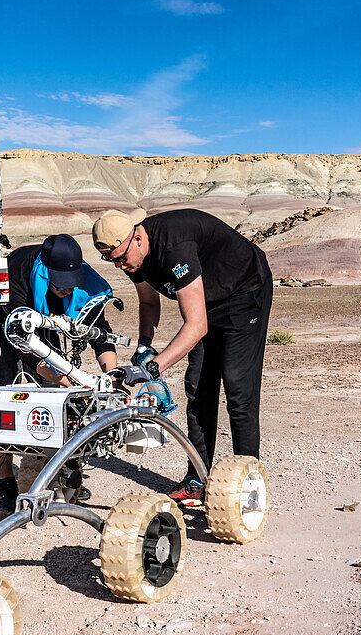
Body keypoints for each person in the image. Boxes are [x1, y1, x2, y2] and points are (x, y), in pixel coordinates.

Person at [92, 208, 272, 506]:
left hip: (244, 291)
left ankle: (248, 485)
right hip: (208, 300)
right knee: (199, 388)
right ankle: (197, 480)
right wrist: (144, 344)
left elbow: (196, 324)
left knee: (239, 388)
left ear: (137, 238)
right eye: (111, 261)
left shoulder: (174, 248)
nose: (120, 267)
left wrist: (153, 368)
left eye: (121, 258)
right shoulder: (135, 258)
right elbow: (149, 302)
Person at [0, 233, 119, 509]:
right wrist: (57, 374)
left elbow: (101, 334)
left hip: (43, 318)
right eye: (61, 286)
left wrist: (109, 378)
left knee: (59, 395)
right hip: (2, 321)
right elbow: (20, 346)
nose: (67, 290)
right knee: (3, 392)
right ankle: (6, 478)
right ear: (45, 271)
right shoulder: (16, 271)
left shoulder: (80, 283)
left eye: (71, 286)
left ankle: (60, 470)